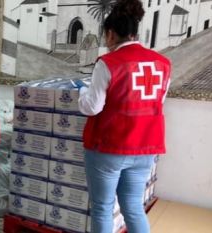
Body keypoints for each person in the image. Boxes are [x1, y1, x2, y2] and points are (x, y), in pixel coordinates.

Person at [75, 0, 171, 232]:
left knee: (102, 208)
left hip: (110, 147)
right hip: (145, 147)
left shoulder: (108, 63)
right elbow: (157, 101)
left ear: (110, 34)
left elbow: (92, 107)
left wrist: (82, 92)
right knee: (133, 206)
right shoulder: (163, 63)